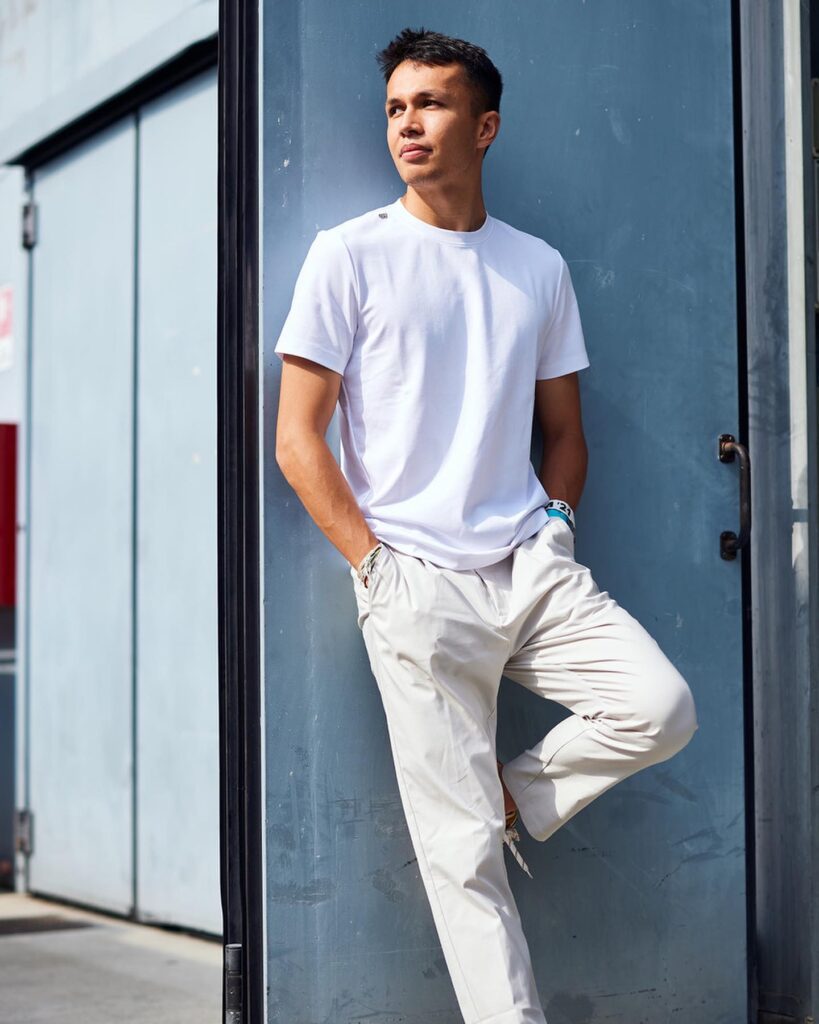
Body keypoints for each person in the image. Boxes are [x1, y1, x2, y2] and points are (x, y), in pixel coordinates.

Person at [273, 25, 699, 1024]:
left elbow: (566, 434)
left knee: (660, 706)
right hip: (413, 579)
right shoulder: (350, 255)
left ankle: (509, 795)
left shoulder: (536, 267)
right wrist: (374, 569)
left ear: (486, 125)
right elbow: (297, 439)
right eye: (395, 108)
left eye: (430, 104)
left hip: (530, 567)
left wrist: (554, 527)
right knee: (463, 861)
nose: (407, 124)